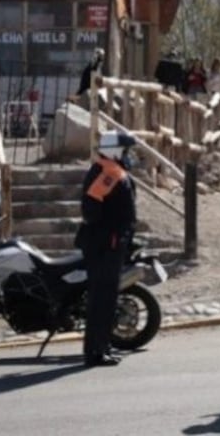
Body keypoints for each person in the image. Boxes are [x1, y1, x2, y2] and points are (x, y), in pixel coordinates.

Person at [75, 131, 138, 366]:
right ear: (115, 151)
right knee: (101, 299)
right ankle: (95, 352)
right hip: (105, 247)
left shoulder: (110, 170)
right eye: (126, 151)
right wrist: (110, 233)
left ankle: (103, 346)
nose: (128, 155)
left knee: (107, 299)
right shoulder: (108, 173)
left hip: (110, 245)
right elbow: (90, 210)